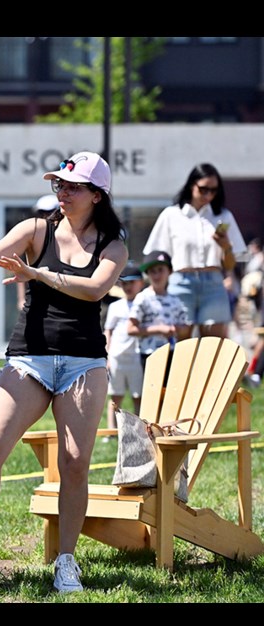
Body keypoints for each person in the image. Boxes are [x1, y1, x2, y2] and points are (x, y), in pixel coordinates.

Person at [0, 151, 127, 597]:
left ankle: (66, 561)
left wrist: (36, 274)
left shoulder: (113, 244)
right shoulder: (36, 228)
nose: (61, 192)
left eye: (72, 186)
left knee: (75, 463)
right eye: (58, 184)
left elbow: (96, 289)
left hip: (84, 362)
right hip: (30, 356)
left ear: (96, 196)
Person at [142, 163, 248, 339]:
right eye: (204, 189)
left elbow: (229, 264)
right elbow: (156, 255)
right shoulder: (172, 215)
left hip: (214, 282)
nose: (208, 195)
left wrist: (226, 246)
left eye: (214, 190)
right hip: (181, 281)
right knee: (181, 345)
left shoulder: (223, 215)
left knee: (215, 346)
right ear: (192, 185)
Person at [128, 251, 191, 370]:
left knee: (170, 388)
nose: (156, 276)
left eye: (160, 270)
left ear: (170, 272)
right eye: (152, 271)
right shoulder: (143, 298)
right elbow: (131, 329)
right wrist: (159, 329)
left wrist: (175, 329)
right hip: (149, 353)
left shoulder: (175, 300)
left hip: (172, 352)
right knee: (153, 388)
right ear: (147, 274)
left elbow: (186, 329)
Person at [104, 263, 145, 431]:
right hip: (116, 357)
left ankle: (139, 429)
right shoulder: (115, 306)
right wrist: (107, 354)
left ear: (141, 283)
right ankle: (112, 430)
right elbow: (108, 331)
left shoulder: (144, 304)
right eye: (124, 283)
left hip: (136, 356)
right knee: (116, 395)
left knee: (138, 396)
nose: (128, 286)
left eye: (132, 282)